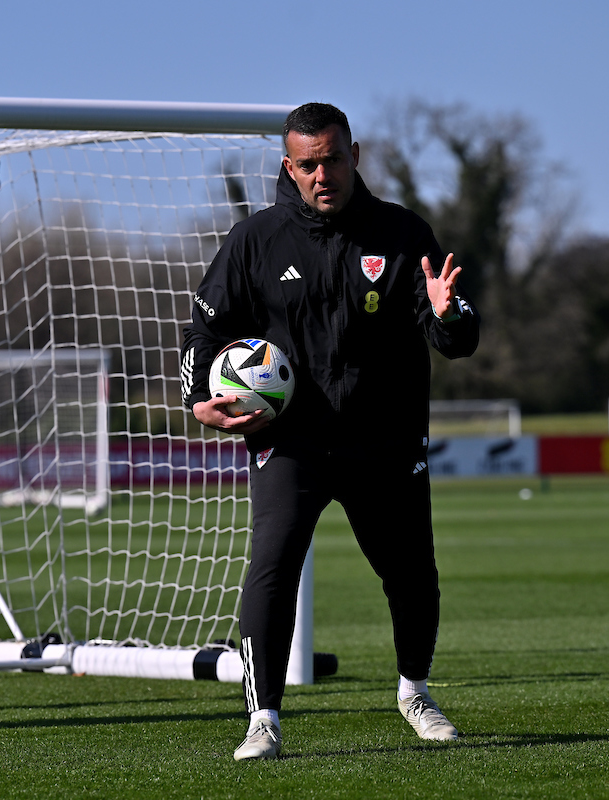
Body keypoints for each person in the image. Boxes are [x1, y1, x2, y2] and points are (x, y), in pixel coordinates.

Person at [180, 102, 480, 760]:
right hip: (292, 441)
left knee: (412, 576)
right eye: (308, 165)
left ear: (355, 156)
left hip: (386, 439)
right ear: (289, 167)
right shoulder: (255, 241)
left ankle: (415, 691)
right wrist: (198, 397)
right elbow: (205, 331)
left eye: (333, 160)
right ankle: (264, 719)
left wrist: (449, 314)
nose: (323, 175)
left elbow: (453, 338)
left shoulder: (402, 234)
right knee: (272, 564)